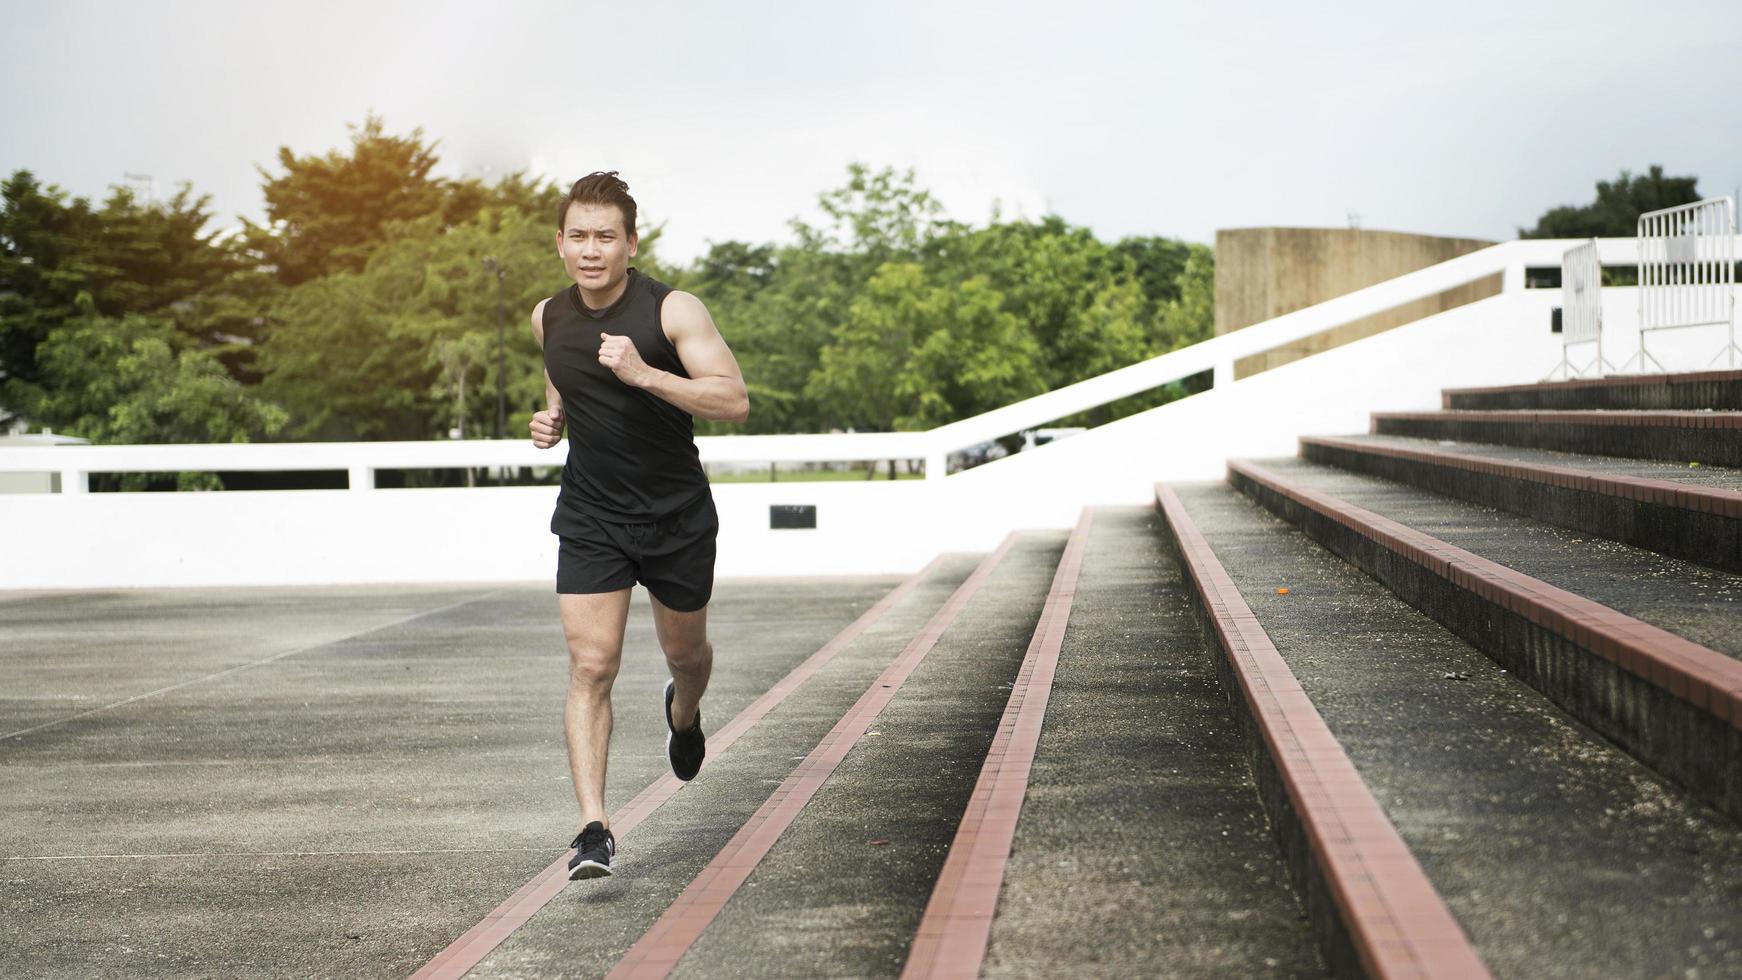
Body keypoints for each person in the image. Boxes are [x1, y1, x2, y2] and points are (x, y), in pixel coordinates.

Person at [527, 171, 749, 880]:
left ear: (630, 243)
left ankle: (684, 716)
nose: (591, 251)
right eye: (579, 237)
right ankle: (593, 827)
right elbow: (562, 375)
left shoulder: (673, 310)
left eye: (605, 237)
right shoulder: (547, 316)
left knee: (689, 657)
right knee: (591, 666)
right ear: (561, 243)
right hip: (592, 514)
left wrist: (644, 374)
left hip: (676, 515)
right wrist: (553, 420)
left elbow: (733, 400)